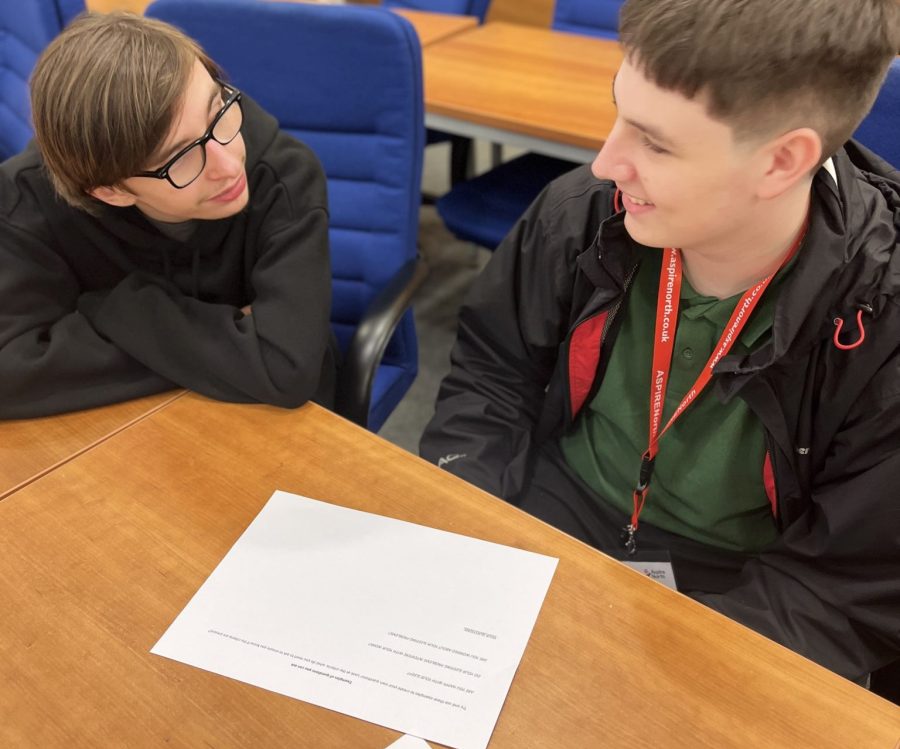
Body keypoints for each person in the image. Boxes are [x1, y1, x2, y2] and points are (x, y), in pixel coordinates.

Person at [421, 0, 900, 683]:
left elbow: (839, 588)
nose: (605, 162)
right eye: (618, 110)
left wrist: (663, 675)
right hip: (555, 510)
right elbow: (493, 375)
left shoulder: (881, 321)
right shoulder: (582, 215)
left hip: (742, 587)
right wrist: (463, 502)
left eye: (656, 142)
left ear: (781, 161)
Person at [0, 12, 337, 419]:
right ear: (110, 190)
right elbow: (9, 373)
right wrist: (233, 344)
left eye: (218, 112)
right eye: (181, 158)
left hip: (269, 426)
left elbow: (287, 367)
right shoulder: (24, 201)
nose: (229, 165)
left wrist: (118, 310)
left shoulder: (283, 173)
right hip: (120, 435)